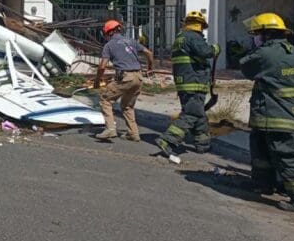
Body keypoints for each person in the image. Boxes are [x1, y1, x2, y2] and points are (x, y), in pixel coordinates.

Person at [240, 13, 294, 214]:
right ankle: (263, 184)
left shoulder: (264, 54)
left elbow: (246, 67)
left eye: (256, 34)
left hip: (273, 116)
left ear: (265, 35)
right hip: (286, 115)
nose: (255, 38)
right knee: (262, 151)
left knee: (287, 157)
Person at [155, 11, 219, 158]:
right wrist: (215, 49)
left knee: (199, 114)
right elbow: (206, 52)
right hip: (194, 83)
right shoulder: (193, 37)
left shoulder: (180, 38)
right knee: (191, 114)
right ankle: (168, 140)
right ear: (201, 26)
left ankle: (203, 144)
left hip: (185, 83)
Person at [94, 19, 154, 141]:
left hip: (125, 77)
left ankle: (110, 129)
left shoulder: (109, 45)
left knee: (105, 99)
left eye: (105, 34)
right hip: (138, 77)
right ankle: (133, 133)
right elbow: (149, 53)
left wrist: (97, 81)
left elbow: (102, 66)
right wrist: (150, 68)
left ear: (109, 33)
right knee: (127, 106)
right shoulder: (131, 41)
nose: (105, 37)